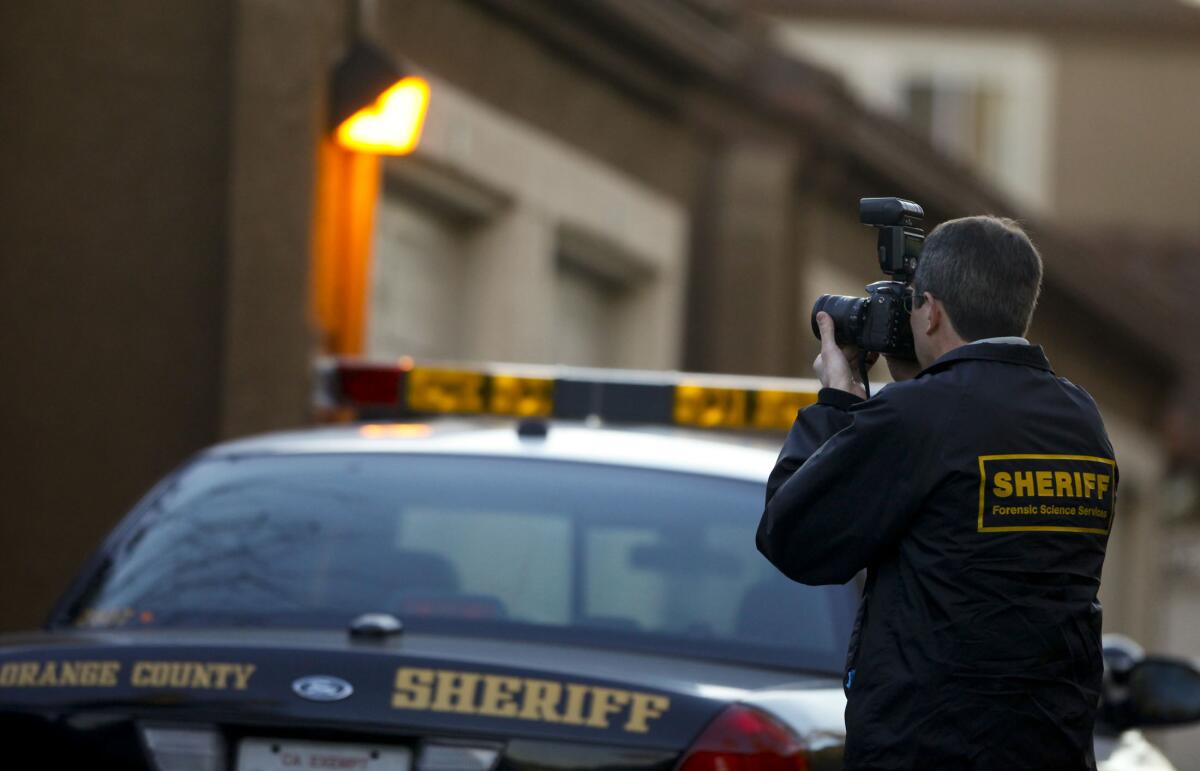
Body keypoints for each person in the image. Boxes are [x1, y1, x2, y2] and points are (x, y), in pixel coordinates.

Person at [757, 216, 1116, 770]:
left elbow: (794, 537)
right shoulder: (1079, 416)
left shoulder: (919, 416)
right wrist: (923, 382)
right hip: (1052, 748)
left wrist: (836, 404)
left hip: (927, 748)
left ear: (932, 312)